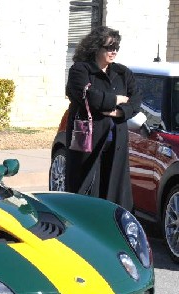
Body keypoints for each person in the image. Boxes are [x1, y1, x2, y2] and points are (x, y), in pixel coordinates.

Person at [65, 26, 142, 211]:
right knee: (85, 187)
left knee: (114, 189)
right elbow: (88, 96)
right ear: (96, 47)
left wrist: (119, 112)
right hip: (88, 141)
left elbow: (136, 100)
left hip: (116, 141)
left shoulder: (123, 73)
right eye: (109, 47)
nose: (113, 51)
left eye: (116, 47)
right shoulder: (80, 70)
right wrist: (116, 99)